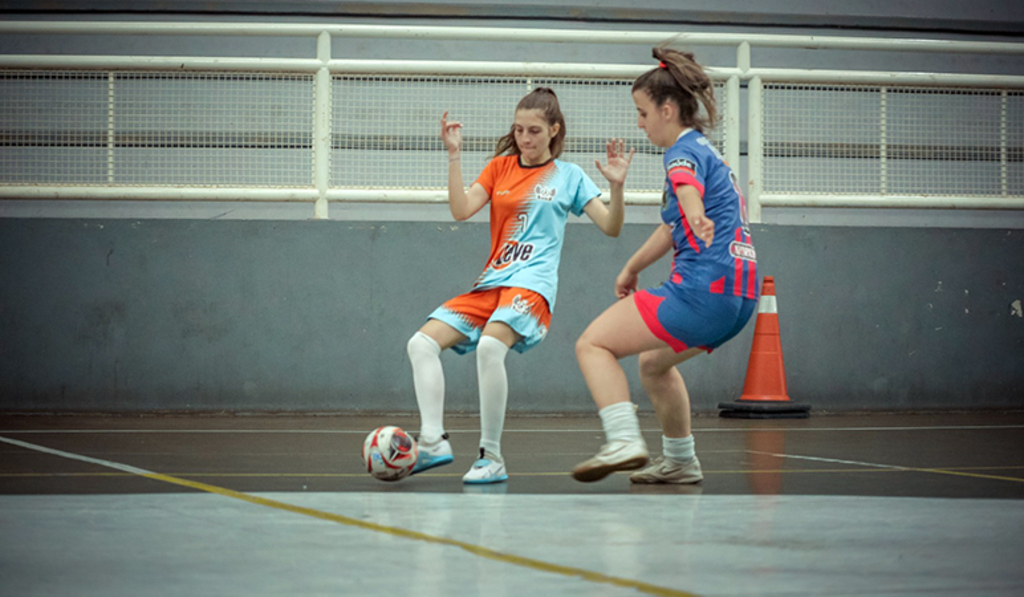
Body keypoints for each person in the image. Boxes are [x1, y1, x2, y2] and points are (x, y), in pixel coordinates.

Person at [407, 87, 634, 484]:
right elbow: (461, 211)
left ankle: (490, 457)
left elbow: (612, 227)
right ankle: (432, 441)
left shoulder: (570, 176)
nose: (524, 139)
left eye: (533, 131)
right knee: (420, 344)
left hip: (532, 287)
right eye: (518, 130)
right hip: (491, 284)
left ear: (554, 131)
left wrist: (616, 186)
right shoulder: (499, 168)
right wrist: (454, 155)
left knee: (491, 347)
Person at [571, 48, 758, 484]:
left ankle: (622, 440)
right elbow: (672, 226)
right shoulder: (710, 153)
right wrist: (631, 268)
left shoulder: (679, 153)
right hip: (738, 299)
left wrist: (694, 211)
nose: (639, 122)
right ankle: (680, 460)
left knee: (593, 345)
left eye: (642, 112)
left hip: (701, 293)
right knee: (654, 364)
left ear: (668, 110)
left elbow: (685, 187)